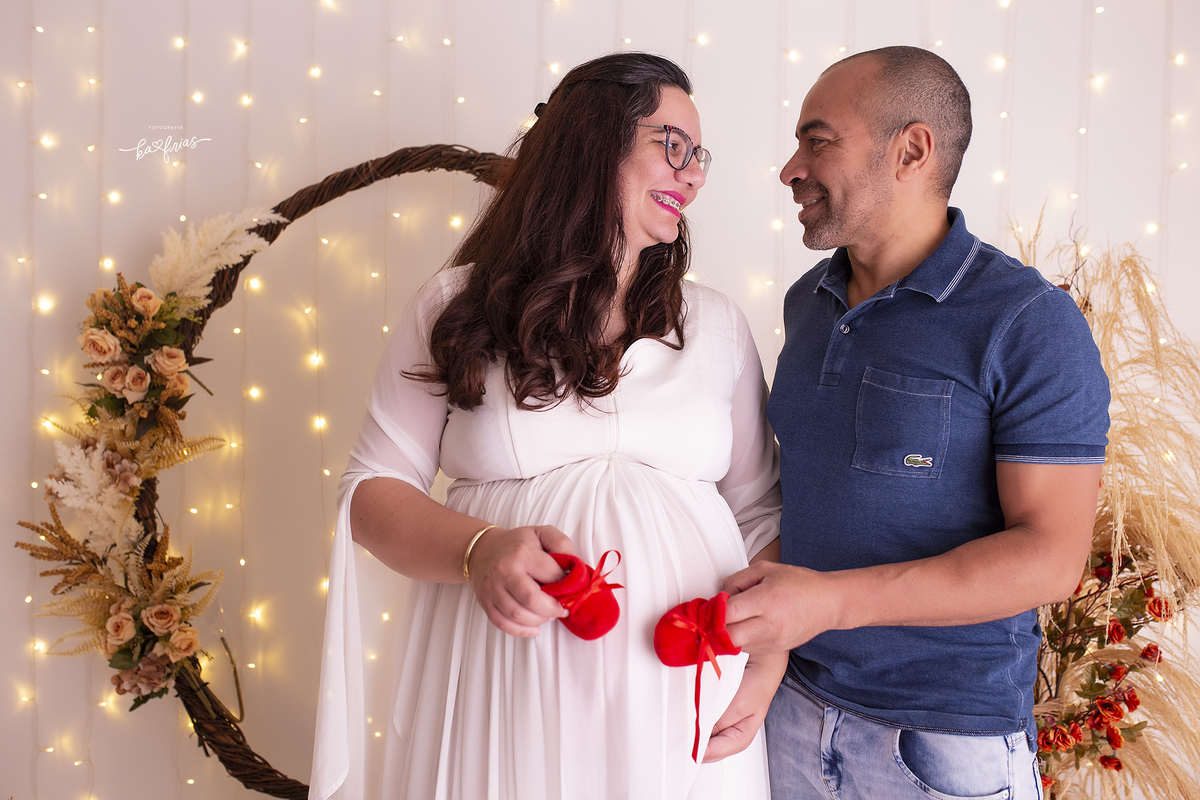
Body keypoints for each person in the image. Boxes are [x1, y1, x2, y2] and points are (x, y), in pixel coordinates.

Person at [308, 53, 785, 800]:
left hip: (685, 700)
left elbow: (759, 514)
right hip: (501, 691)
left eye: (701, 157)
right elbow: (371, 492)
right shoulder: (456, 305)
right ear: (593, 145)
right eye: (672, 145)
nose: (693, 176)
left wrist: (765, 666)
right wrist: (476, 551)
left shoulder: (718, 325)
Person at [722, 46, 1110, 799]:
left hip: (940, 748)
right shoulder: (806, 303)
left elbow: (1052, 558)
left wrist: (830, 601)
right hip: (790, 720)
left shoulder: (1027, 321)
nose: (790, 168)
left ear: (911, 149)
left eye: (817, 139)